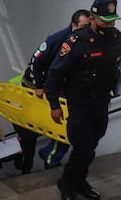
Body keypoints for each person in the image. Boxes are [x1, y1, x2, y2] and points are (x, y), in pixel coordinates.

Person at [45, 0, 121, 200]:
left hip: (101, 102)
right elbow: (55, 73)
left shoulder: (116, 37)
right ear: (93, 18)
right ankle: (67, 183)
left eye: (112, 20)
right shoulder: (75, 41)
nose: (109, 25)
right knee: (83, 147)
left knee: (92, 144)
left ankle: (79, 180)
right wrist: (54, 105)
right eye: (105, 20)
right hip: (79, 103)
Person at [13, 10, 92, 174]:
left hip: (61, 87)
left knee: (71, 124)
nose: (87, 30)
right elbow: (36, 61)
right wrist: (39, 86)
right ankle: (28, 166)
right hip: (37, 88)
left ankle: (49, 154)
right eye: (83, 27)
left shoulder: (88, 40)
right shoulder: (56, 39)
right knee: (30, 135)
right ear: (73, 26)